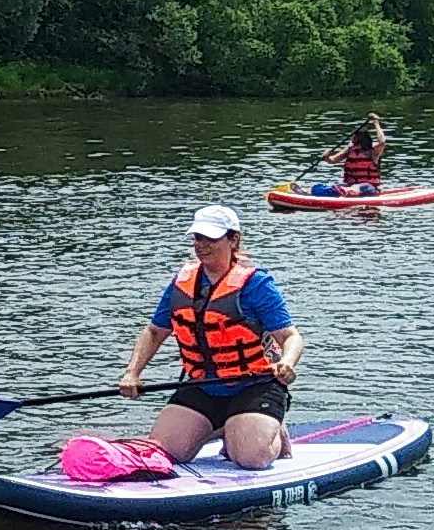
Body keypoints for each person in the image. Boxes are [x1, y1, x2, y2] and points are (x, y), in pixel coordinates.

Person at [116, 204, 304, 470]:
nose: (202, 245)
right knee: (166, 451)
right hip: (204, 385)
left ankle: (269, 429)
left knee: (251, 458)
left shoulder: (256, 285)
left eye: (211, 238)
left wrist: (287, 362)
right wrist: (132, 373)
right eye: (197, 238)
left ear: (233, 239)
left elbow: (290, 336)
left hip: (254, 384)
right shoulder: (182, 282)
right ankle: (223, 426)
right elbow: (154, 332)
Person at [320, 113, 388, 195]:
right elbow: (333, 160)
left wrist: (376, 122)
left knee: (354, 189)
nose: (352, 138)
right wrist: (326, 157)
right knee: (330, 188)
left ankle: (347, 192)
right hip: (350, 185)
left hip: (369, 187)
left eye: (354, 136)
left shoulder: (373, 151)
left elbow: (382, 142)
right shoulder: (350, 148)